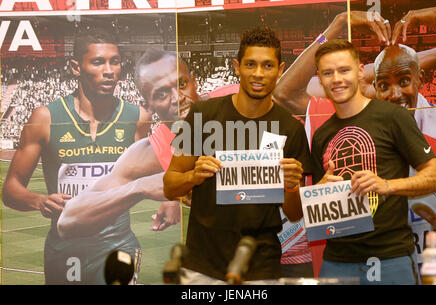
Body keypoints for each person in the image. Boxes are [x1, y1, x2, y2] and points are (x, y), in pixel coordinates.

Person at [163, 26, 312, 284]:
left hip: (260, 262)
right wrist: (193, 176)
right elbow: (169, 185)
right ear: (236, 66)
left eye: (267, 66)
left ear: (280, 69)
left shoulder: (291, 129)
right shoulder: (202, 114)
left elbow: (295, 213)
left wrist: (289, 186)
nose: (258, 74)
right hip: (202, 260)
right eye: (250, 64)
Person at [2, 29, 150, 285]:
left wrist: (172, 198)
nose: (109, 70)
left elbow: (158, 174)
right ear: (75, 67)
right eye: (97, 62)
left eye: (114, 61)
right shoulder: (44, 118)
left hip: (118, 245)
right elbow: (11, 189)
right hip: (66, 250)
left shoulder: (137, 118)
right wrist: (39, 201)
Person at [310, 39, 436, 284]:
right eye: (328, 73)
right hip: (337, 261)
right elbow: (310, 204)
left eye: (344, 70)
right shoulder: (321, 135)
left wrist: (387, 185)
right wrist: (320, 189)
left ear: (361, 72)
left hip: (390, 257)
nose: (337, 79)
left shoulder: (393, 116)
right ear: (320, 80)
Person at [57, 49, 201, 240]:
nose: (178, 98)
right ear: (148, 106)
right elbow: (67, 221)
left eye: (182, 84)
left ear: (195, 81)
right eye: (161, 94)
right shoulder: (150, 154)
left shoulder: (235, 106)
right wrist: (140, 187)